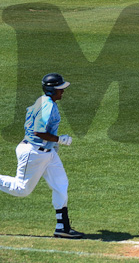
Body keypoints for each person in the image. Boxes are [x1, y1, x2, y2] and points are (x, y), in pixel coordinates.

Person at [0, 73, 84, 238]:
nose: (63, 92)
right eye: (60, 89)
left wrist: (52, 145)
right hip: (34, 152)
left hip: (46, 152)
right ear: (52, 90)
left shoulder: (42, 101)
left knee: (61, 184)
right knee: (21, 189)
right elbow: (39, 131)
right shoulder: (48, 106)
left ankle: (63, 227)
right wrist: (60, 140)